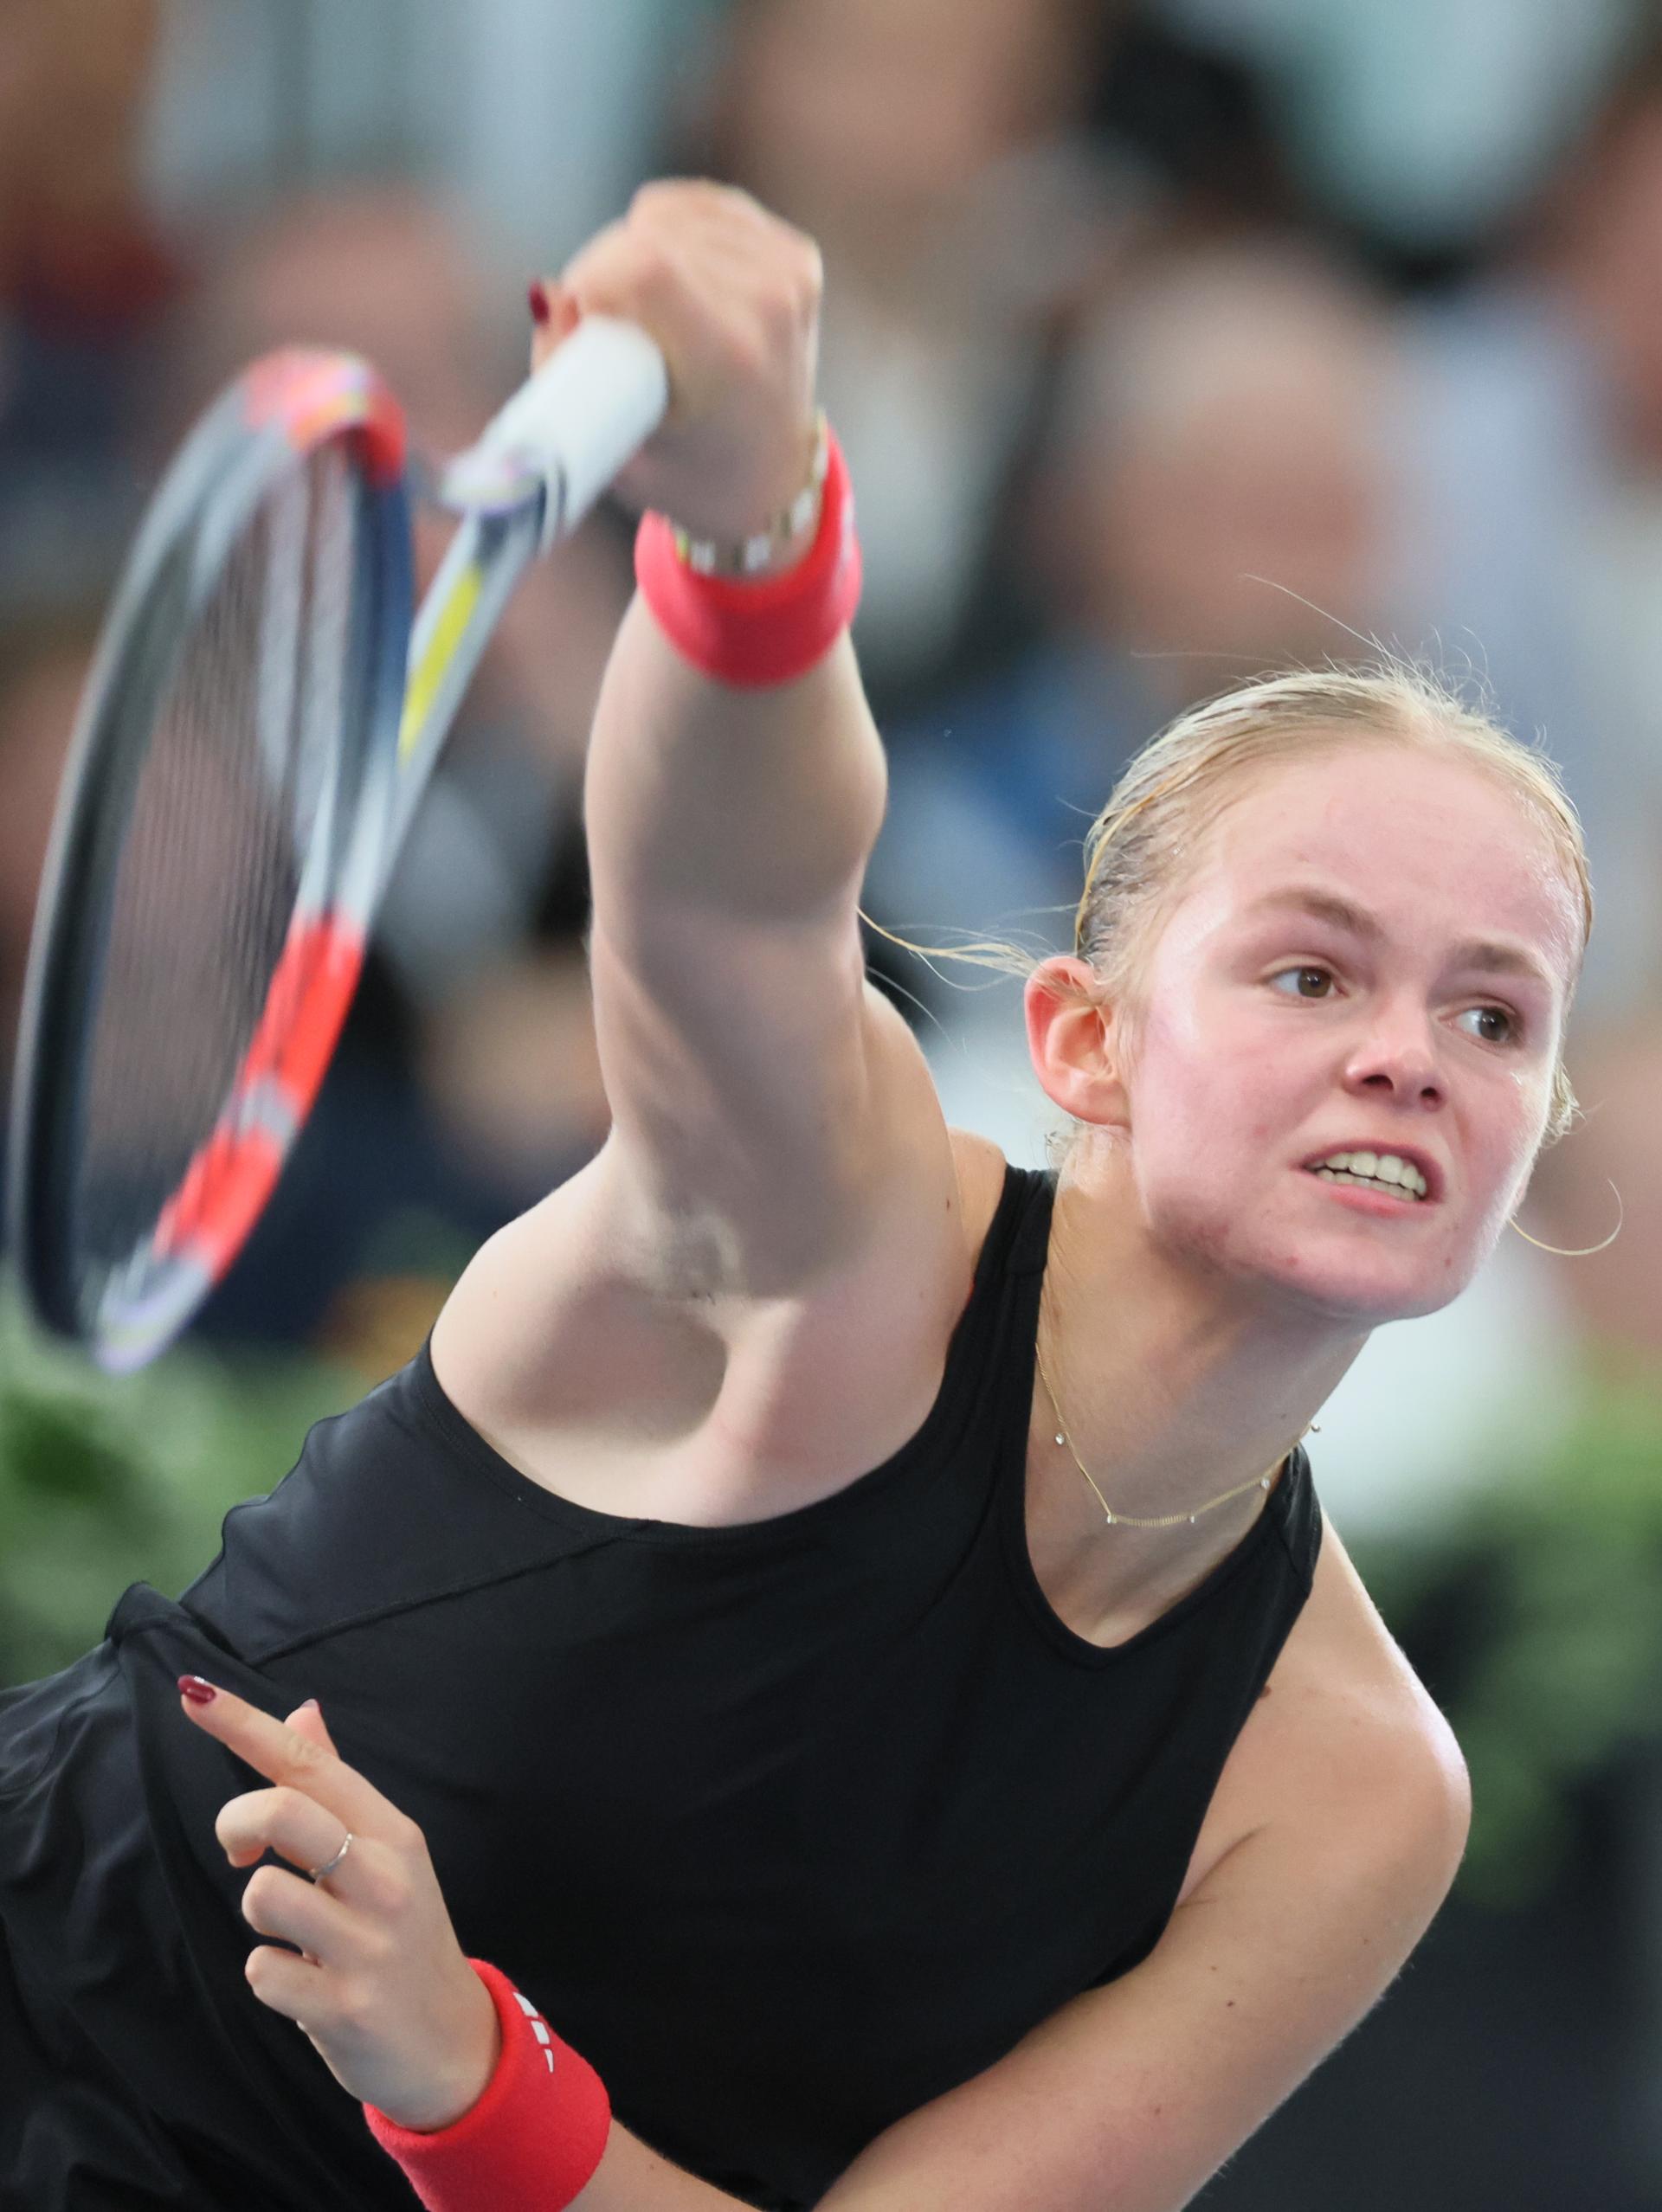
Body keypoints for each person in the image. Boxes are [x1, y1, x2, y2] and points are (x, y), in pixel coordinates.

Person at [0, 182, 1591, 2212]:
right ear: (1084, 1042)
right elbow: (737, 899)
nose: (1409, 1055)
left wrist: (469, 2074)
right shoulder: (835, 1224)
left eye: (1494, 1015)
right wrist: (755, 528)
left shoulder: (1354, 1793)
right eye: (1309, 971)